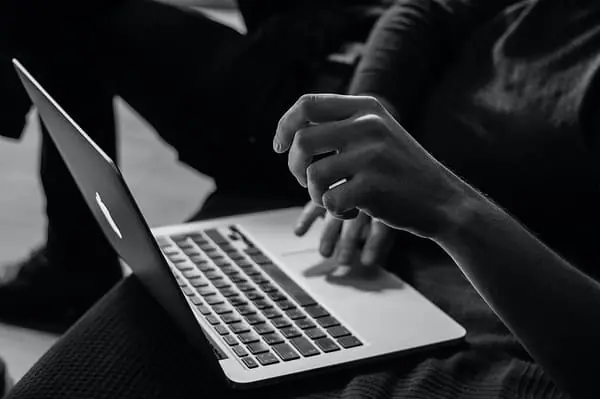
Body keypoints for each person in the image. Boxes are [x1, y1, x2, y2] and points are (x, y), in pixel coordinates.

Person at [0, 0, 386, 332]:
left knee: (61, 16)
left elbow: (420, 15)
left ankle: (74, 267)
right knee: (64, 17)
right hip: (312, 49)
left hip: (322, 90)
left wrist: (372, 137)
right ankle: (74, 265)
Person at [275, 93, 600, 398]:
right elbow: (407, 43)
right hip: (391, 270)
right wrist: (355, 147)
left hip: (511, 357)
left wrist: (452, 207)